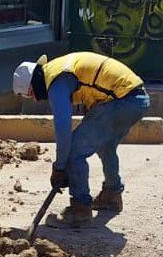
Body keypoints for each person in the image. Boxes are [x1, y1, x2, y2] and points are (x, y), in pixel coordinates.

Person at [12, 52, 150, 228]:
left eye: (31, 94)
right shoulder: (60, 67)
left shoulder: (55, 81)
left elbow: (63, 129)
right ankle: (112, 195)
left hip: (121, 101)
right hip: (137, 100)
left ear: (33, 86)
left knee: (73, 152)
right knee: (106, 146)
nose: (34, 98)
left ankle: (80, 209)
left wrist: (60, 166)